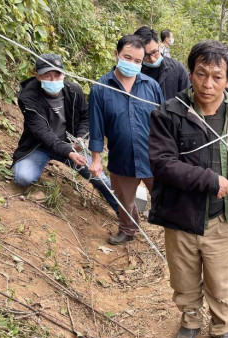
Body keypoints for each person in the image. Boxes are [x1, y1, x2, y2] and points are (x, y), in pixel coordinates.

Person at [148, 40, 228, 338]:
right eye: (201, 74)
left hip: (220, 218)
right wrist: (210, 180)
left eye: (217, 77)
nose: (208, 84)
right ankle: (190, 320)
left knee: (219, 279)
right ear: (191, 74)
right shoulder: (169, 113)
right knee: (183, 278)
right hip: (181, 215)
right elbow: (162, 164)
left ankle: (223, 326)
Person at [12, 53, 119, 214]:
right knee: (23, 178)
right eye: (47, 76)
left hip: (71, 145)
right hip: (40, 147)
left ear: (64, 73)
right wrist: (68, 151)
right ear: (37, 76)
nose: (53, 80)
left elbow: (85, 117)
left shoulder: (73, 91)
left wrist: (79, 139)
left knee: (100, 178)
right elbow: (42, 132)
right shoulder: (28, 97)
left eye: (57, 75)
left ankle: (124, 213)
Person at [88, 35, 164, 245]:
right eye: (127, 57)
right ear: (116, 54)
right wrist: (96, 159)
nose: (132, 64)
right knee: (125, 199)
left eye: (138, 61)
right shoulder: (100, 89)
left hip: (153, 157)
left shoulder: (151, 86)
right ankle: (128, 230)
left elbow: (164, 122)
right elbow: (96, 127)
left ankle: (172, 233)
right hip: (121, 157)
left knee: (165, 196)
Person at [134, 26, 189, 101]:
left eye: (154, 52)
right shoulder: (135, 73)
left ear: (159, 45)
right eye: (145, 56)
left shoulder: (177, 69)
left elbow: (188, 100)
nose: (152, 59)